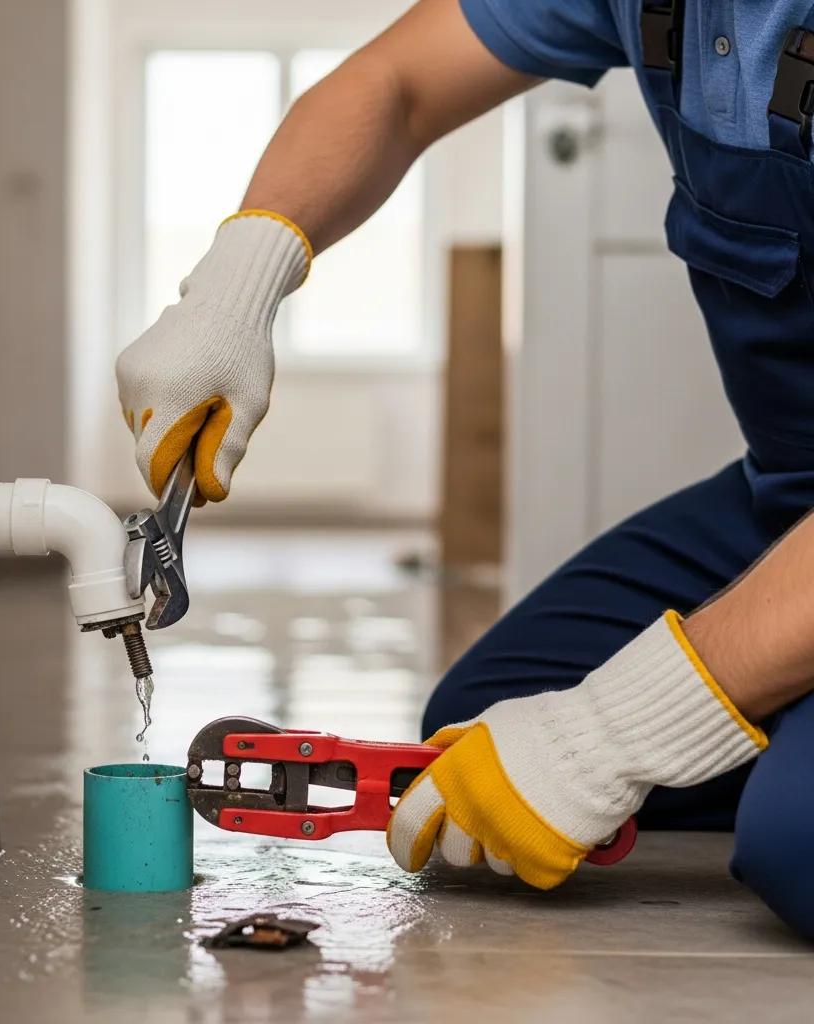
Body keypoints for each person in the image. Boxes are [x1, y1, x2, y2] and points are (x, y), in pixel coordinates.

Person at [116, 0, 814, 940]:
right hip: (788, 491)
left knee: (796, 837)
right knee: (488, 728)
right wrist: (243, 279)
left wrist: (615, 733)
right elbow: (394, 86)